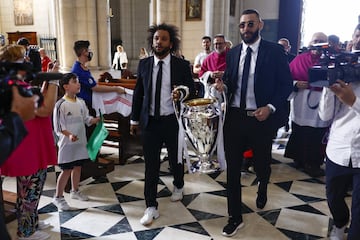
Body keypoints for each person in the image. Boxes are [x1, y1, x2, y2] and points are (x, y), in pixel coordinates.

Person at [214, 9, 293, 237]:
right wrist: (223, 86)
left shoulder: (274, 51)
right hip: (235, 118)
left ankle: (263, 185)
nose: (245, 29)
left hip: (260, 119)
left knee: (261, 164)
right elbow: (230, 80)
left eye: (250, 24)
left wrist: (270, 108)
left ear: (260, 25)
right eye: (242, 25)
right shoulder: (233, 53)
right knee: (232, 171)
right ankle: (234, 217)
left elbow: (285, 85)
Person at [130, 23, 195, 226]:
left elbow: (192, 91)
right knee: (151, 166)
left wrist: (182, 92)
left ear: (171, 43)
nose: (159, 42)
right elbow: (138, 93)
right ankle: (151, 206)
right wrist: (134, 119)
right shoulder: (145, 64)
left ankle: (178, 184)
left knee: (176, 159)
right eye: (156, 38)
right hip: (150, 123)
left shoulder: (181, 65)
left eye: (164, 39)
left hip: (172, 121)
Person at [0, 44, 60, 240]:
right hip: (26, 148)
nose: (26, 61)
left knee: (31, 188)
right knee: (29, 190)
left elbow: (39, 101)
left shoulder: (20, 84)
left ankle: (31, 222)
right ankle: (25, 232)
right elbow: (45, 109)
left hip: (32, 144)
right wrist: (55, 81)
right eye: (22, 59)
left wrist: (48, 78)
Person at [319, 23, 360, 240]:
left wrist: (353, 101)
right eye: (357, 35)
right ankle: (341, 223)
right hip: (338, 148)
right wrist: (329, 89)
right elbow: (325, 116)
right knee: (333, 197)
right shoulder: (345, 69)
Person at [284, 32, 332, 177]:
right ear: (310, 42)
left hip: (322, 102)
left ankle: (313, 163)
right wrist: (296, 84)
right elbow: (286, 80)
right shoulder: (299, 59)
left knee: (316, 134)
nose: (318, 44)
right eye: (316, 40)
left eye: (322, 41)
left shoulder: (329, 61)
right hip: (302, 103)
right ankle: (298, 159)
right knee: (300, 130)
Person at [52, 73, 100, 211]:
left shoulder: (81, 102)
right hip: (67, 144)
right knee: (66, 169)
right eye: (75, 81)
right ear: (66, 86)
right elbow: (59, 127)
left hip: (80, 142)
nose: (78, 84)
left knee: (78, 167)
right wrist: (69, 135)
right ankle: (58, 197)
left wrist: (95, 120)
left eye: (78, 81)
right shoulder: (61, 104)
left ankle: (75, 191)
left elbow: (87, 119)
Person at [0, 76, 38, 240]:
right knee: (27, 187)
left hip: (25, 142)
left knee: (25, 189)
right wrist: (16, 113)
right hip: (21, 146)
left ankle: (29, 225)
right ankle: (26, 230)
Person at [71, 40, 126, 116]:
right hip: (86, 105)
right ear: (84, 52)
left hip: (89, 103)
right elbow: (95, 88)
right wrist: (115, 89)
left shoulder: (82, 67)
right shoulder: (79, 70)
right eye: (89, 50)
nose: (90, 52)